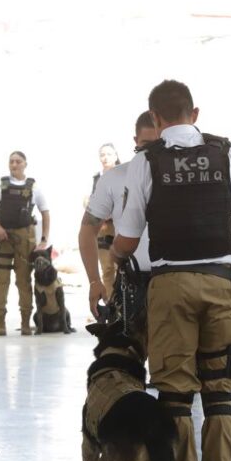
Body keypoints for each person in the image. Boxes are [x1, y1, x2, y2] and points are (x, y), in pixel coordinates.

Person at [113, 80, 231, 461]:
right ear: (194, 113)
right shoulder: (227, 152)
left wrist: (115, 258)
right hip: (223, 284)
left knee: (176, 397)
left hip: (170, 288)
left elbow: (126, 238)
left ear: (155, 120)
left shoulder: (147, 162)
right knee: (220, 394)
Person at [79, 113, 160, 328]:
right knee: (122, 358)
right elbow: (87, 229)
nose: (150, 152)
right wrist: (94, 281)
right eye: (145, 145)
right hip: (131, 284)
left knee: (169, 359)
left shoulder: (180, 175)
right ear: (135, 142)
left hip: (172, 281)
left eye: (158, 144)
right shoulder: (114, 178)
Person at [0, 151, 50, 336]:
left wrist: (44, 240)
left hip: (25, 238)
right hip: (2, 237)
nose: (14, 164)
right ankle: (0, 322)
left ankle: (26, 322)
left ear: (25, 164)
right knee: (1, 281)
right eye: (11, 161)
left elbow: (45, 212)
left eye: (18, 161)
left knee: (24, 281)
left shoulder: (33, 187)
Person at [89, 142, 121, 299]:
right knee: (107, 269)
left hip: (122, 226)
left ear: (115, 156)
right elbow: (90, 201)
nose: (105, 157)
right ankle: (111, 305)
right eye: (102, 154)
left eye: (108, 154)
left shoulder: (124, 174)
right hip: (103, 228)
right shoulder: (97, 178)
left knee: (122, 266)